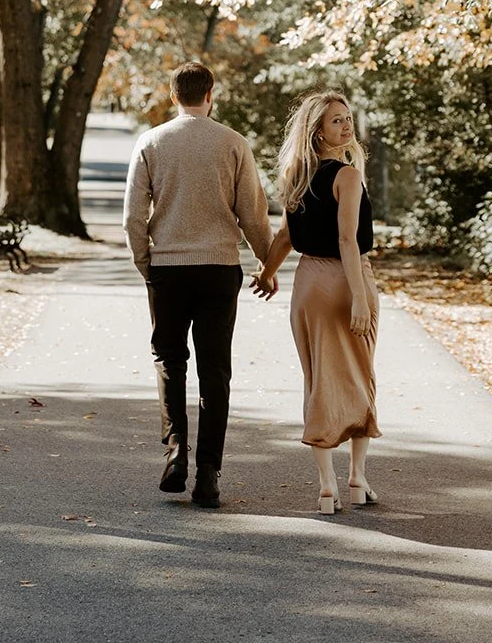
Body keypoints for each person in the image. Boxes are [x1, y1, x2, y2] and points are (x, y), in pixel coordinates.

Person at [123, 60, 274, 509]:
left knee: (169, 360)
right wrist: (267, 264)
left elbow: (133, 217)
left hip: (167, 270)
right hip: (218, 269)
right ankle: (209, 472)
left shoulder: (151, 142)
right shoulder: (233, 144)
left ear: (173, 96)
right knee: (215, 369)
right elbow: (253, 215)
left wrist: (145, 263)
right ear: (212, 94)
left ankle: (174, 453)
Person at [252, 91, 380, 514]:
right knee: (360, 376)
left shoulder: (295, 177)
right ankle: (357, 479)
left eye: (347, 119)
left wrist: (267, 274)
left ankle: (328, 487)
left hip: (308, 283)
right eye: (336, 122)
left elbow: (286, 238)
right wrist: (359, 298)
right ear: (317, 133)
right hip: (346, 280)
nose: (346, 127)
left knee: (318, 379)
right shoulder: (346, 176)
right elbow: (347, 240)